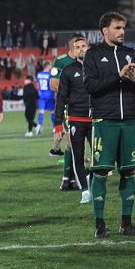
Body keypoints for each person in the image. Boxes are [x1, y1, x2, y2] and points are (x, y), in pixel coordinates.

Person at [82, 12, 135, 238]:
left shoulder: (133, 54)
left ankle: (126, 224)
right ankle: (100, 226)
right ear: (105, 31)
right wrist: (118, 78)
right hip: (104, 121)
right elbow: (90, 86)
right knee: (100, 172)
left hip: (128, 121)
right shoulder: (93, 54)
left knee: (128, 172)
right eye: (118, 28)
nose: (122, 32)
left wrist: (134, 80)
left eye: (123, 28)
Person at [55, 35, 92, 203]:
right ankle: (85, 190)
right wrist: (57, 124)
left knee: (100, 156)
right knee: (78, 155)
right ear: (73, 51)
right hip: (76, 119)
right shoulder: (68, 71)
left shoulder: (98, 69)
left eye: (84, 46)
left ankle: (92, 180)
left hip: (96, 120)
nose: (81, 49)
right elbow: (61, 97)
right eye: (77, 47)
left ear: (88, 47)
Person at [48, 36, 81, 157]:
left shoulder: (83, 62)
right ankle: (79, 159)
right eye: (79, 47)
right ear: (73, 47)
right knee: (70, 130)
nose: (83, 49)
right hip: (66, 102)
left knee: (70, 129)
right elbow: (53, 85)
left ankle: (55, 149)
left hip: (80, 103)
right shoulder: (60, 61)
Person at [35, 61, 53, 135]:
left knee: (41, 111)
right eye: (50, 66)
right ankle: (54, 128)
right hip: (49, 94)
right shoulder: (50, 75)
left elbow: (38, 85)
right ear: (48, 66)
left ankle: (39, 125)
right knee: (52, 111)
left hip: (42, 94)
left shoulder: (39, 75)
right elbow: (51, 85)